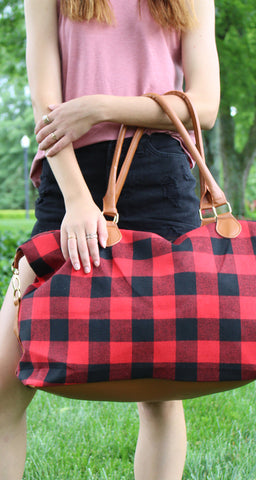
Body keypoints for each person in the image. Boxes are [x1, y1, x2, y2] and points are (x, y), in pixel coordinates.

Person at [0, 1, 238, 479]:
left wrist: (101, 106)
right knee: (4, 381)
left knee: (160, 392)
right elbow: (45, 99)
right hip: (69, 176)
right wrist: (76, 199)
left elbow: (205, 105)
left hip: (160, 177)